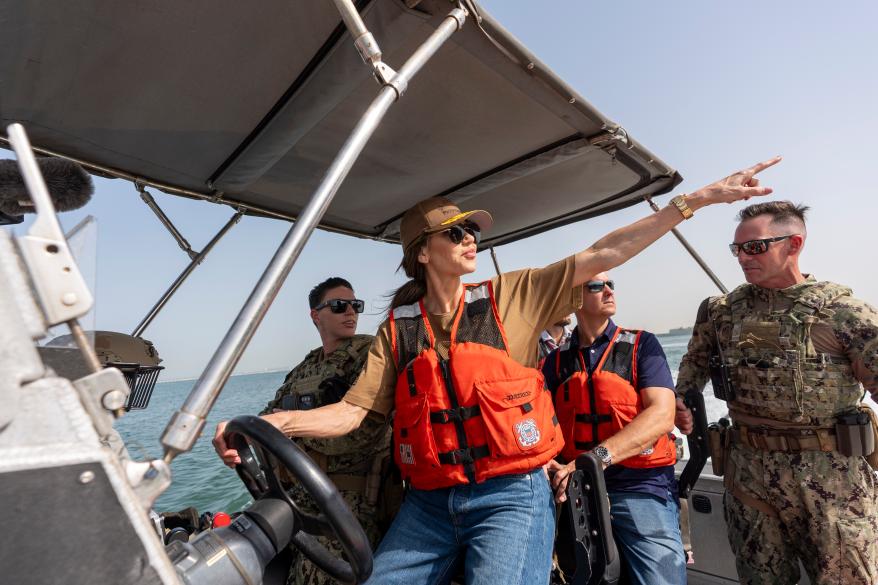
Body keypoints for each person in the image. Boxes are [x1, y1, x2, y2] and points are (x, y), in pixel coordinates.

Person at [215, 157, 779, 584]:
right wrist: (271, 425)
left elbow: (606, 253)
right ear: (422, 252)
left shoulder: (514, 295)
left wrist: (699, 200)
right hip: (429, 502)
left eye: (473, 233)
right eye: (456, 233)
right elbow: (351, 412)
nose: (471, 240)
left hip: (511, 493)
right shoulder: (397, 329)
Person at [674, 201, 878, 585]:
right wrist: (681, 399)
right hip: (749, 474)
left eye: (754, 247)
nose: (742, 258)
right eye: (737, 249)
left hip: (831, 480)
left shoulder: (844, 313)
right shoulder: (722, 313)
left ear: (794, 244)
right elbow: (695, 362)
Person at [542, 273, 683, 584]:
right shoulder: (553, 364)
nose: (608, 290)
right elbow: (541, 426)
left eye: (610, 284)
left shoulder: (642, 346)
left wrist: (595, 458)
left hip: (641, 486)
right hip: (577, 490)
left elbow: (662, 414)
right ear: (575, 299)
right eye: (596, 286)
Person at [258, 277, 391, 585]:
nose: (351, 312)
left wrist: (291, 426)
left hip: (350, 501)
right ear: (316, 316)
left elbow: (356, 434)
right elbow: (268, 416)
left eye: (355, 305)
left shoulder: (369, 355)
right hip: (301, 493)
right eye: (339, 305)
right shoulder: (306, 368)